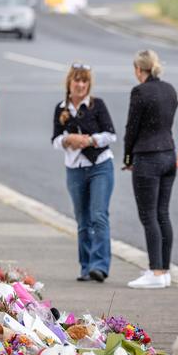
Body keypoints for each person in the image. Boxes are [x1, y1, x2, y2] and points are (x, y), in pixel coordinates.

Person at [52, 63, 116, 283]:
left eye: (84, 81)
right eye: (77, 80)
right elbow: (55, 140)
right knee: (83, 220)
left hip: (100, 164)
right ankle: (86, 266)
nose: (80, 85)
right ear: (69, 83)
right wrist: (68, 139)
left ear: (89, 85)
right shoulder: (61, 109)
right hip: (75, 168)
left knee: (99, 215)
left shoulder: (97, 106)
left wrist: (90, 140)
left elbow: (111, 135)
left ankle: (100, 266)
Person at [124, 50, 178, 289]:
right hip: (169, 154)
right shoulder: (170, 89)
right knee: (162, 214)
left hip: (147, 156)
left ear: (139, 69)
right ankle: (164, 270)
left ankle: (155, 271)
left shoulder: (140, 91)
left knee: (148, 215)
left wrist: (128, 157)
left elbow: (132, 127)